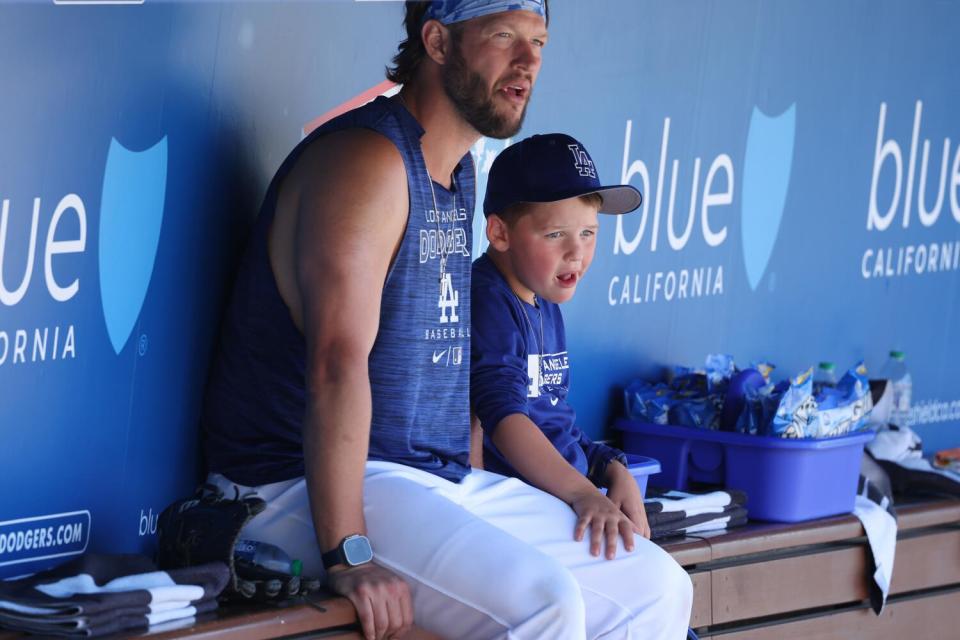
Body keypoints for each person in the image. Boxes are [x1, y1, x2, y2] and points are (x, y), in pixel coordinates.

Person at [200, 0, 691, 637]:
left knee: (654, 585)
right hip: (286, 486)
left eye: (539, 41)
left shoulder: (457, 172)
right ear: (437, 41)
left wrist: (569, 484)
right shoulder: (368, 160)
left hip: (427, 479)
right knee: (544, 601)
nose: (529, 61)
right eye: (505, 36)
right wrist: (348, 551)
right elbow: (335, 364)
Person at [471, 132, 653, 551]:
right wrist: (583, 492)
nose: (576, 252)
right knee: (659, 580)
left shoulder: (544, 300)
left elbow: (555, 423)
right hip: (517, 511)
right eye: (556, 235)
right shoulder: (488, 299)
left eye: (588, 233)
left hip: (558, 502)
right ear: (500, 233)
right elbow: (505, 419)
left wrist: (610, 467)